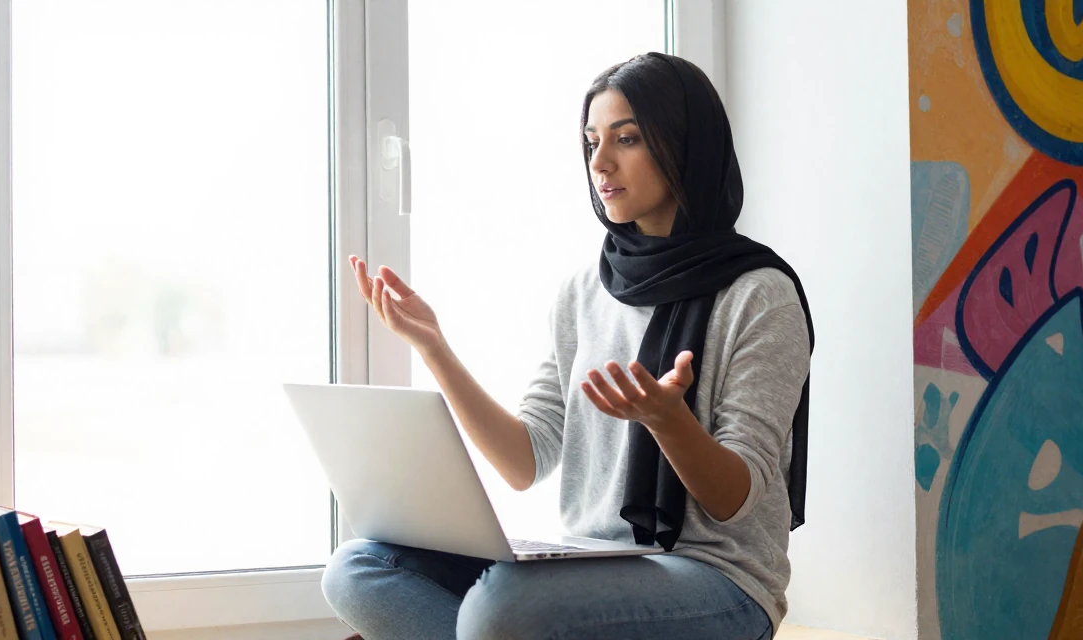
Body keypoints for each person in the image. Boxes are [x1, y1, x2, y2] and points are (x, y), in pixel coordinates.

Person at [322, 52, 814, 640]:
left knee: (501, 610)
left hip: (717, 583)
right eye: (590, 143)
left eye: (626, 138)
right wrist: (433, 347)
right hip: (590, 562)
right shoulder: (583, 290)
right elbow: (526, 458)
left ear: (684, 145)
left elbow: (735, 498)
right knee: (358, 567)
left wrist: (667, 420)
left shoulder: (760, 295)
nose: (600, 163)